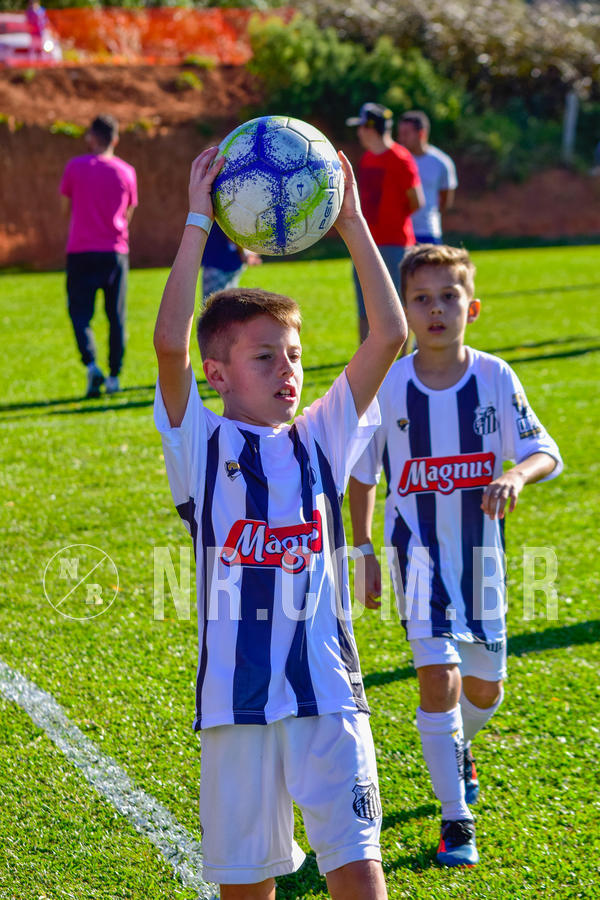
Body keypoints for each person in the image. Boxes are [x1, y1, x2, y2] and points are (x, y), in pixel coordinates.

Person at [153, 146, 407, 898]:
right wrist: (199, 221)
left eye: (294, 356)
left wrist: (355, 222)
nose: (289, 372)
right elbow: (170, 343)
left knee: (359, 870)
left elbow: (386, 336)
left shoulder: (321, 434)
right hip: (236, 703)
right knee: (247, 888)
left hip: (328, 692)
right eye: (266, 358)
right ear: (219, 375)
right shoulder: (201, 443)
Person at [349, 244, 562, 868]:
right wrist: (362, 547)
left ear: (472, 306)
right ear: (405, 311)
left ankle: (459, 748)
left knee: (487, 688)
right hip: (416, 557)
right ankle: (455, 820)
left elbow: (544, 448)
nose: (436, 309)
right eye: (421, 299)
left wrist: (517, 475)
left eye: (448, 297)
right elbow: (361, 477)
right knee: (437, 680)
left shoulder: (495, 377)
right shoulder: (388, 387)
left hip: (482, 561)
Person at [60, 115, 137, 398]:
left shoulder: (75, 167)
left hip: (80, 251)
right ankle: (115, 376)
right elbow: (128, 214)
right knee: (116, 316)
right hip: (115, 252)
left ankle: (92, 364)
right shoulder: (127, 172)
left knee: (80, 314)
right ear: (115, 139)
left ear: (91, 136)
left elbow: (65, 208)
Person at [346, 102, 424, 343]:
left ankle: (400, 362)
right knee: (364, 306)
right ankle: (364, 359)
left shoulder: (400, 158)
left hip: (395, 244)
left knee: (398, 306)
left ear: (370, 128)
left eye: (361, 127)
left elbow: (416, 200)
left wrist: (391, 219)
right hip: (366, 243)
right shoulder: (368, 158)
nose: (359, 133)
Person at [397, 111, 458, 245]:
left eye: (406, 134)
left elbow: (445, 200)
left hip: (428, 232)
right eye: (400, 134)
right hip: (400, 234)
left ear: (421, 134)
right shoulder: (396, 160)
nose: (401, 139)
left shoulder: (441, 162)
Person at [201, 221, 261, 301]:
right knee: (225, 303)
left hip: (219, 263)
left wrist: (245, 253)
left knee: (213, 304)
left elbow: (232, 233)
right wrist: (247, 253)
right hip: (223, 262)